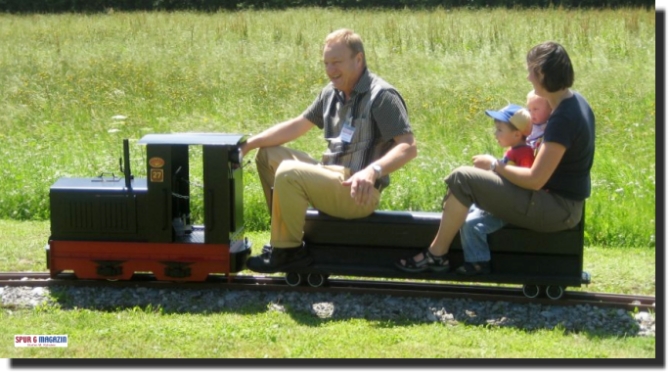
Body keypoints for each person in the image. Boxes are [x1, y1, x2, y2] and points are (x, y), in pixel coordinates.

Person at [395, 41, 595, 275]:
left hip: (557, 210)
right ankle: (445, 251)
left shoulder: (564, 118)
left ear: (542, 73)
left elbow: (534, 180)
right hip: (558, 205)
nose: (528, 76)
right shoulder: (576, 102)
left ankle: (436, 255)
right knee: (466, 179)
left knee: (463, 178)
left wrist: (494, 165)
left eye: (531, 70)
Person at [240, 28, 417, 273]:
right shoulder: (330, 92)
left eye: (337, 62)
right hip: (330, 175)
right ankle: (284, 235)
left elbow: (408, 147)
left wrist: (372, 172)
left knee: (289, 172)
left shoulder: (382, 96)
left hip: (356, 191)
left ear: (358, 59)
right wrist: (250, 144)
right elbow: (298, 125)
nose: (330, 70)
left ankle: (288, 253)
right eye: (326, 63)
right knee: (268, 155)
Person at [454, 104, 533, 275]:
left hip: (510, 208)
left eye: (499, 129)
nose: (495, 133)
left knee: (472, 225)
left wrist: (493, 167)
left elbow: (523, 179)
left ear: (517, 134)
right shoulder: (513, 151)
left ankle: (478, 263)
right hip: (503, 202)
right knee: (465, 211)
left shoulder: (524, 153)